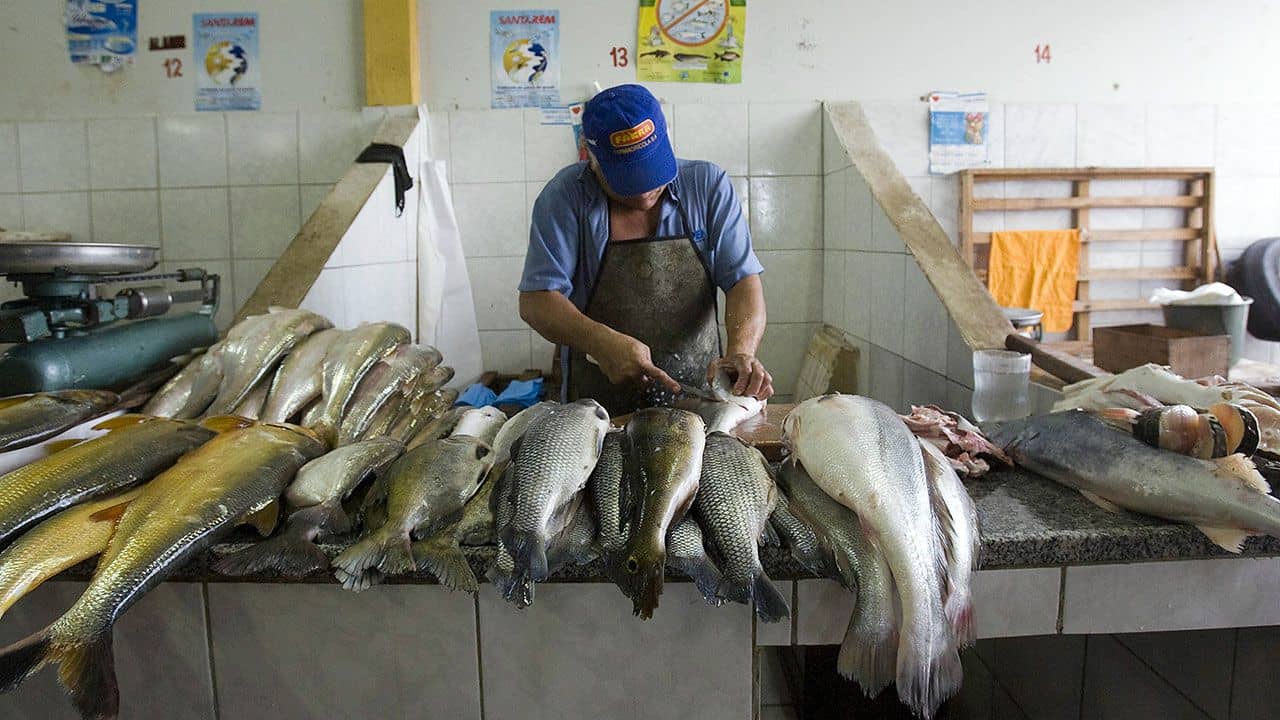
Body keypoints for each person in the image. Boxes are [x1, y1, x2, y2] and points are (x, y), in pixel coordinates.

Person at [518, 83, 772, 416]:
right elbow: (536, 301)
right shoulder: (565, 198)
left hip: (698, 401)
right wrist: (599, 341)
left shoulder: (707, 186)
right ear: (590, 156)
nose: (645, 193)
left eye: (654, 172)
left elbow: (742, 280)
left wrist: (741, 352)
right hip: (597, 409)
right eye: (627, 181)